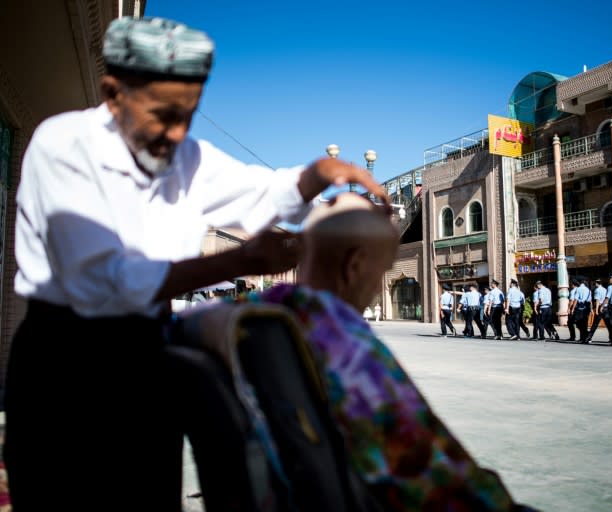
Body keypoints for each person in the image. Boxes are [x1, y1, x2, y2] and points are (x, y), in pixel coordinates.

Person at [3, 17, 388, 512]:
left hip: (147, 357)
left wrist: (320, 174)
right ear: (113, 91)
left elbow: (262, 191)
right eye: (163, 115)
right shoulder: (63, 146)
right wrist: (245, 258)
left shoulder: (187, 157)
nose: (177, 132)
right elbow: (100, 282)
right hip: (66, 362)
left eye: (189, 114)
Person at [238, 193, 537, 511]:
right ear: (354, 266)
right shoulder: (346, 347)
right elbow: (427, 472)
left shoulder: (242, 315)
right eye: (381, 272)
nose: (379, 286)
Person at [585, 277, 607, 343]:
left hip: (600, 307)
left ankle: (589, 338)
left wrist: (597, 310)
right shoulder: (605, 289)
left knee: (594, 324)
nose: (595, 285)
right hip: (605, 307)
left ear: (597, 284)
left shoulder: (597, 290)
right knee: (608, 324)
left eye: (595, 283)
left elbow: (597, 300)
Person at [573, 278, 592, 343]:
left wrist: (573, 308)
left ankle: (586, 336)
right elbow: (590, 300)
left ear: (579, 283)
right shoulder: (588, 290)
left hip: (580, 309)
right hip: (586, 308)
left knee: (578, 323)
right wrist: (591, 309)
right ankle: (584, 338)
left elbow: (575, 299)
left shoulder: (578, 289)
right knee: (584, 323)